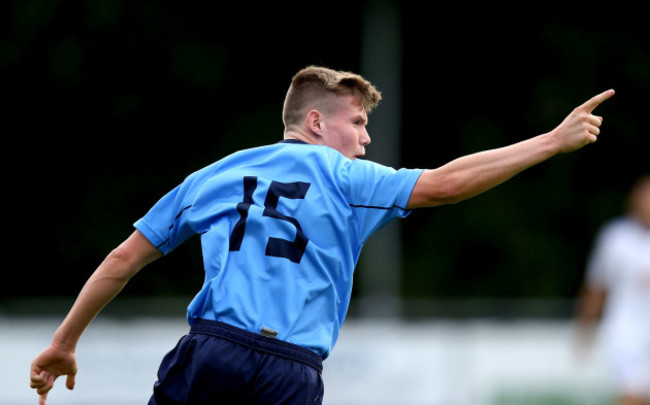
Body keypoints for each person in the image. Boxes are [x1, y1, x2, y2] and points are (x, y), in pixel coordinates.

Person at [30, 65, 614, 405]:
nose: (364, 138)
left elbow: (122, 257)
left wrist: (64, 341)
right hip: (289, 370)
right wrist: (549, 142)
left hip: (212, 352)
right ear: (316, 123)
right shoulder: (347, 177)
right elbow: (443, 185)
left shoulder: (216, 175)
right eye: (357, 122)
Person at [576, 174, 650, 405]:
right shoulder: (615, 238)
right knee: (630, 393)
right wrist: (585, 327)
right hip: (625, 328)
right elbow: (597, 285)